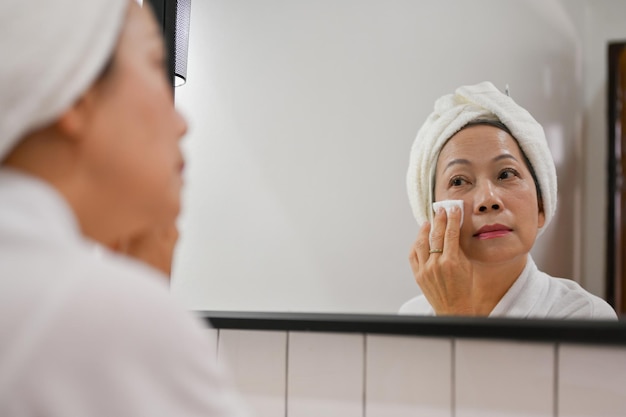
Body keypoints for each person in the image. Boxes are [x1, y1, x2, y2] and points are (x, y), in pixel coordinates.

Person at [0, 0, 251, 415]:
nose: (182, 122)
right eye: (155, 62)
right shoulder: (98, 318)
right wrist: (145, 310)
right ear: (76, 92)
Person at [400, 81, 617, 319]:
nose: (488, 200)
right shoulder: (412, 315)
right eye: (459, 181)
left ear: (541, 205)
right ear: (432, 214)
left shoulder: (585, 316)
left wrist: (454, 316)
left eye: (506, 174)